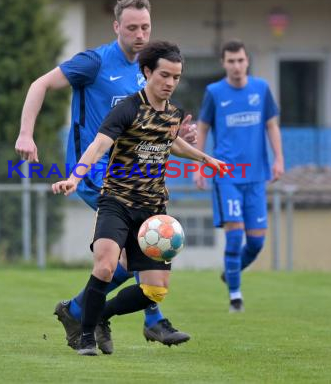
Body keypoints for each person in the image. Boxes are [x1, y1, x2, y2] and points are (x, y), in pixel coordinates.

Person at [15, 0, 197, 354]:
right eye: (131, 28)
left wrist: (176, 137)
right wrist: (25, 133)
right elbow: (39, 85)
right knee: (136, 248)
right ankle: (148, 320)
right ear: (117, 27)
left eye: (145, 27)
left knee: (129, 258)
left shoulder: (149, 69)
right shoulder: (94, 63)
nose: (140, 34)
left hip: (134, 173)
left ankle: (81, 310)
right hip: (96, 172)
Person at [52, 41, 227, 355]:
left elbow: (171, 142)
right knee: (105, 267)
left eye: (176, 77)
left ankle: (98, 314)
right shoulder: (126, 108)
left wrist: (204, 158)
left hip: (153, 214)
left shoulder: (173, 113)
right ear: (147, 72)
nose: (170, 83)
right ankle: (87, 338)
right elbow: (97, 146)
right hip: (116, 202)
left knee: (155, 290)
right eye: (164, 75)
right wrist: (74, 177)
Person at [193, 39, 285, 313]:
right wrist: (199, 164)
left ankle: (229, 272)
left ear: (247, 61)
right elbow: (202, 128)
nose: (236, 66)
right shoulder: (214, 92)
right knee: (235, 237)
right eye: (231, 61)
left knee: (256, 242)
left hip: (256, 176)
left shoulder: (261, 89)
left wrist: (279, 158)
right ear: (223, 63)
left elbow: (272, 125)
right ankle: (235, 296)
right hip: (227, 175)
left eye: (240, 60)